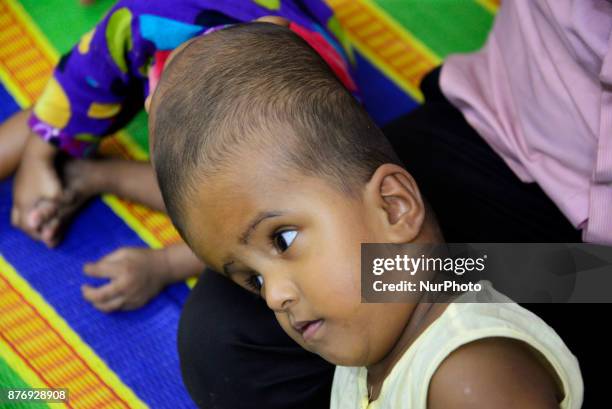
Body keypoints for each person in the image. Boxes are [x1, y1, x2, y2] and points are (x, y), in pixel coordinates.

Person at [148, 22, 583, 408]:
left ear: (394, 206)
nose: (275, 296)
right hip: (496, 119)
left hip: (583, 227)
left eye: (282, 239)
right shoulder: (370, 347)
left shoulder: (471, 376)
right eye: (253, 280)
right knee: (218, 343)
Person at [1, 1, 349, 311]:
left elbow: (252, 244)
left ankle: (94, 174)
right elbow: (81, 77)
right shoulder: (144, 21)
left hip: (309, 48)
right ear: (153, 102)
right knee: (75, 100)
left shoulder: (321, 148)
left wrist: (166, 265)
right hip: (187, 33)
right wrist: (38, 156)